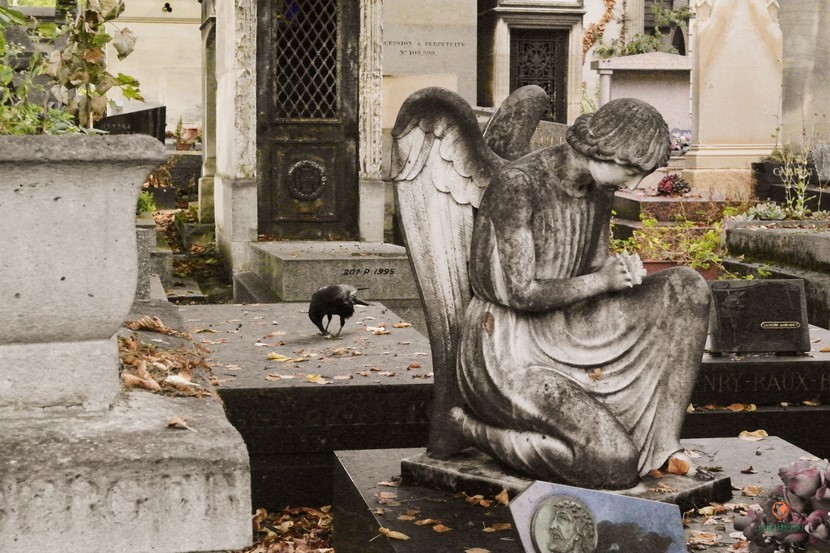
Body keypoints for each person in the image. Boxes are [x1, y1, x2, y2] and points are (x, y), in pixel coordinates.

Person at [451, 98, 712, 489]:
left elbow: (592, 270)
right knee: (611, 463)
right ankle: (472, 429)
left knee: (687, 287)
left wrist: (618, 275)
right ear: (604, 147)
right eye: (631, 170)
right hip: (510, 345)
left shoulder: (598, 187)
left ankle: (663, 446)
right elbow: (519, 292)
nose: (634, 184)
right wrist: (601, 282)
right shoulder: (518, 184)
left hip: (573, 322)